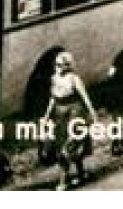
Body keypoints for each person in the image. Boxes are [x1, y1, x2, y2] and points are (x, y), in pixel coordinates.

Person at [42, 52, 94, 190]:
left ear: (67, 66)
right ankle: (81, 173)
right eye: (55, 64)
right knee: (62, 144)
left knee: (69, 147)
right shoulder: (54, 79)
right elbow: (52, 98)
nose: (57, 67)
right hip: (60, 115)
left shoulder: (74, 78)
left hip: (75, 113)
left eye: (60, 65)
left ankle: (62, 181)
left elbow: (84, 96)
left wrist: (92, 112)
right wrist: (46, 116)